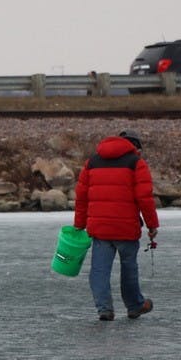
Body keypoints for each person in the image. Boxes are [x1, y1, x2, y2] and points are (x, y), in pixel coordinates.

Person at [72, 129, 160, 321]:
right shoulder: (136, 163)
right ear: (134, 146)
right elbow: (144, 198)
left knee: (99, 270)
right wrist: (152, 226)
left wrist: (79, 224)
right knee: (129, 267)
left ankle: (104, 309)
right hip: (126, 228)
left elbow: (81, 196)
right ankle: (135, 305)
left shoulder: (92, 162)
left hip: (100, 228)